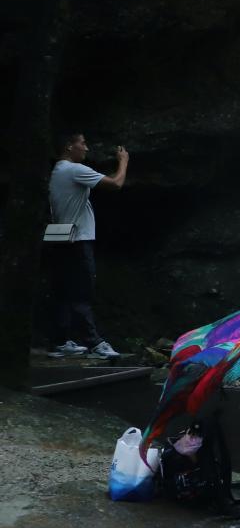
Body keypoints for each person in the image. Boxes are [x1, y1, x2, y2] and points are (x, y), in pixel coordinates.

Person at [44, 132, 128, 359]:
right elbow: (116, 184)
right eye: (82, 143)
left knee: (62, 292)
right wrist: (123, 161)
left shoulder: (57, 171)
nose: (86, 148)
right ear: (69, 146)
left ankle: (59, 341)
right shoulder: (74, 170)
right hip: (78, 240)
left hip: (61, 240)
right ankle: (94, 343)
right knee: (82, 292)